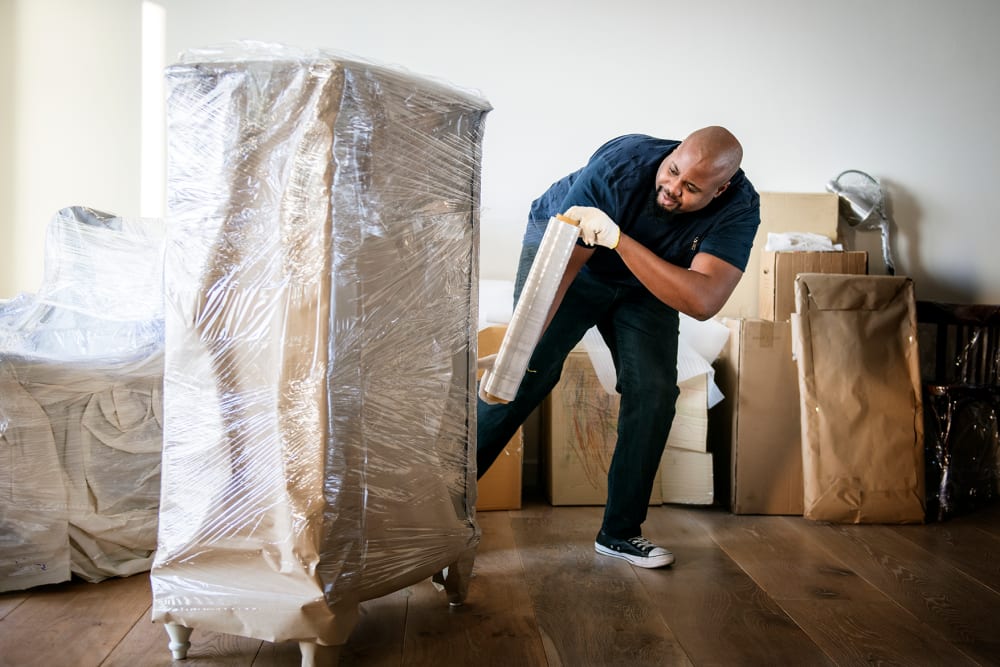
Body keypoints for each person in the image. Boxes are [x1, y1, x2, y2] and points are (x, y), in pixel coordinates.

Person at [477, 126, 760, 568]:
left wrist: (620, 241)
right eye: (671, 172)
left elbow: (704, 301)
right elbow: (564, 269)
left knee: (655, 389)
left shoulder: (740, 208)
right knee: (526, 374)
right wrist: (522, 344)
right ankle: (440, 515)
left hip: (644, 273)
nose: (671, 189)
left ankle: (620, 532)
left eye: (690, 188)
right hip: (570, 252)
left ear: (721, 189)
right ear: (672, 154)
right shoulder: (620, 167)